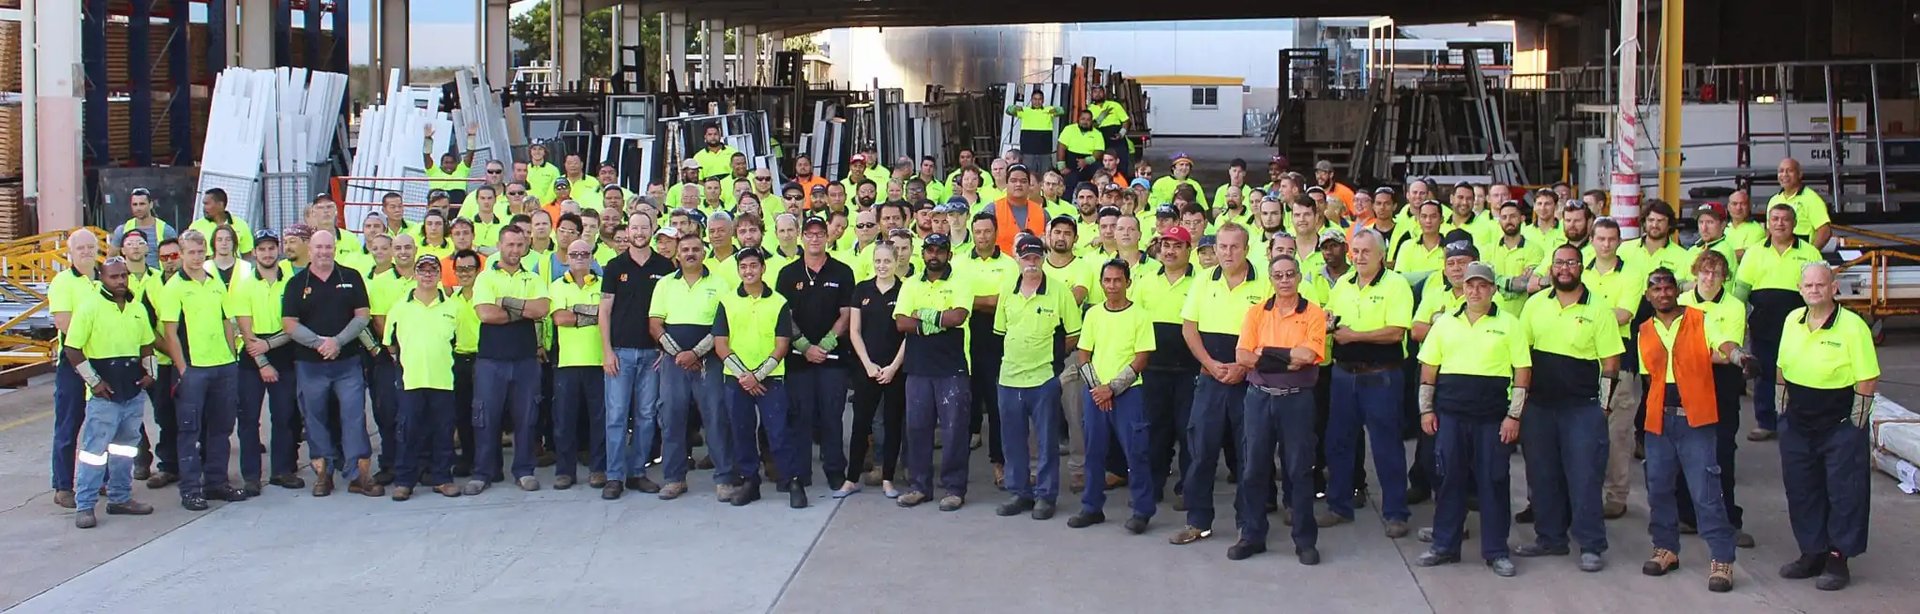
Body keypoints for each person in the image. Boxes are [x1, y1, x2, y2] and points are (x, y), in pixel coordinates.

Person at [1513, 244, 1626, 572]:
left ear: (1581, 268)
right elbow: (1522, 357)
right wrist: (1520, 404)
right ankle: (1550, 538)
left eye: (1571, 263)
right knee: (1542, 475)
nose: (1564, 269)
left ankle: (1591, 545)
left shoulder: (1599, 309)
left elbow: (1611, 364)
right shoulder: (1535, 304)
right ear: (1551, 268)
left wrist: (1604, 407)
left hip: (1582, 409)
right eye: (1559, 263)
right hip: (1539, 407)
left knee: (1585, 477)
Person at [1414, 262, 1531, 578]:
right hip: (1450, 418)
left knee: (1493, 482)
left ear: (1493, 289)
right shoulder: (1445, 323)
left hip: (1492, 419)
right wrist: (1426, 410)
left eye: (1482, 285)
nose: (1475, 291)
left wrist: (1514, 416)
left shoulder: (1510, 324)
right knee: (1449, 480)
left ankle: (1496, 551)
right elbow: (1428, 370)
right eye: (1470, 285)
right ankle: (1444, 546)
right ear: (1462, 288)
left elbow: (1522, 373)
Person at [1634, 267, 1740, 592]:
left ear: (1676, 291)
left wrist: (1739, 356)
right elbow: (1648, 377)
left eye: (1668, 287)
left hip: (1695, 419)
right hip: (1659, 420)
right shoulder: (1644, 330)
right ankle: (1665, 548)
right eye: (1656, 289)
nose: (1663, 293)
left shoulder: (1700, 319)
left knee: (1706, 491)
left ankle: (1722, 559)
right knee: (1659, 488)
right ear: (1648, 295)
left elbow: (1724, 343)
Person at [1775, 263, 1879, 591]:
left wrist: (1856, 425)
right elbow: (1781, 368)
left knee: (1844, 492)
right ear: (1800, 288)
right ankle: (1812, 552)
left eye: (1821, 285)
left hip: (1839, 424)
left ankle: (1837, 558)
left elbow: (1867, 378)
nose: (1814, 290)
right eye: (1808, 285)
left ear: (1833, 288)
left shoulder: (1853, 326)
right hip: (1798, 423)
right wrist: (1781, 414)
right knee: (1802, 489)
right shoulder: (1792, 320)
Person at [1227, 254, 1328, 563]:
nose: (1284, 280)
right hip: (1259, 398)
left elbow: (1308, 356)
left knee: (1299, 470)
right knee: (1253, 468)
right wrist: (1287, 357)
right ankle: (1252, 535)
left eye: (1290, 274)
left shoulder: (1313, 313)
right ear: (1270, 280)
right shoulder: (1256, 312)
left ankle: (1305, 541)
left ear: (1298, 276)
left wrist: (1265, 354)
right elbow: (1243, 356)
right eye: (1278, 275)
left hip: (1296, 400)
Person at [1173, 224, 1271, 543]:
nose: (1228, 253)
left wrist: (1243, 366)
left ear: (1247, 249)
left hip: (1249, 382)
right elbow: (1189, 329)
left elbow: (1270, 334)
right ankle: (1198, 521)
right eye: (1222, 247)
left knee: (1248, 455)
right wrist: (1210, 364)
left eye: (1234, 247)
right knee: (1201, 451)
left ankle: (1248, 525)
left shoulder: (1265, 284)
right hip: (1210, 379)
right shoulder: (1203, 281)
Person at [1322, 228, 1416, 537]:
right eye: (1356, 251)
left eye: (1366, 251)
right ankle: (1338, 506)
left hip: (1381, 376)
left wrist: (1354, 336)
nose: (1359, 257)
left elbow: (1396, 332)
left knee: (1387, 446)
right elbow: (1332, 319)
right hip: (1343, 375)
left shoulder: (1396, 284)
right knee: (1339, 443)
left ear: (1381, 255)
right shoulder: (1343, 284)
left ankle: (1396, 513)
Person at [281, 230, 379, 497]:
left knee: (354, 416)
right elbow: (289, 324)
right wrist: (319, 344)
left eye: (328, 247)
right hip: (310, 365)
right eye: (319, 247)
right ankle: (323, 474)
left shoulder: (351, 277)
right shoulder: (296, 284)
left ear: (335, 249)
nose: (324, 252)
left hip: (347, 363)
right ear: (309, 250)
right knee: (315, 418)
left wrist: (338, 341)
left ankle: (359, 475)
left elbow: (362, 316)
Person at [65, 257, 160, 528]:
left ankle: (120, 498)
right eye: (113, 276)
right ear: (102, 278)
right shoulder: (90, 307)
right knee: (94, 452)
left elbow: (147, 344)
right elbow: (73, 349)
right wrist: (94, 382)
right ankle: (85, 506)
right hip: (104, 396)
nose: (120, 281)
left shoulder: (137, 308)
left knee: (125, 449)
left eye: (123, 276)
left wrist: (151, 372)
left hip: (132, 391)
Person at [992, 235, 1082, 520]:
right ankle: (1020, 493)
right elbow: (1001, 331)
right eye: (1026, 257)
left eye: (1036, 257)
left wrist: (1053, 357)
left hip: (1043, 378)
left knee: (1046, 441)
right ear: (1017, 259)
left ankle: (1045, 496)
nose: (1031, 262)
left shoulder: (1059, 291)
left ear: (1043, 258)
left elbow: (1075, 333)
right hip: (1009, 378)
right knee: (1013, 441)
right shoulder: (1007, 290)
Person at [1066, 258, 1158, 534]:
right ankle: (1092, 507)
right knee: (1094, 451)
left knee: (1136, 452)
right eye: (1107, 280)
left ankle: (1142, 510)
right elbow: (1084, 354)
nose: (1112, 285)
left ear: (1128, 282)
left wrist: (1112, 388)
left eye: (1118, 280)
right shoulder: (1093, 314)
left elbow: (1142, 358)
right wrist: (1098, 389)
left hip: (1129, 393)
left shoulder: (1140, 315)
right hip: (1096, 394)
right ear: (1101, 283)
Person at [160, 230, 249, 510]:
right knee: (189, 431)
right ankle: (190, 489)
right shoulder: (174, 287)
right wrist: (183, 369)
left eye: (201, 252)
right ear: (182, 254)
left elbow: (226, 321)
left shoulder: (214, 282)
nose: (197, 258)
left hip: (223, 366)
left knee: (222, 428)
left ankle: (216, 483)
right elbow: (170, 332)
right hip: (194, 369)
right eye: (191, 252)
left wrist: (232, 357)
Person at [712, 247, 801, 507]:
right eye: (743, 267)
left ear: (763, 268)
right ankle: (750, 481)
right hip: (737, 379)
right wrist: (745, 376)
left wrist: (758, 376)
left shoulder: (779, 302)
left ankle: (792, 481)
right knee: (741, 432)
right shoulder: (727, 301)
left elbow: (782, 345)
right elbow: (721, 344)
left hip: (771, 379)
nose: (748, 271)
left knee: (779, 432)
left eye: (753, 266)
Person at [649, 230, 735, 501]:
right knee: (671, 418)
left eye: (695, 249)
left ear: (704, 252)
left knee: (716, 417)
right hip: (674, 362)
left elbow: (722, 326)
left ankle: (724, 478)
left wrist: (696, 353)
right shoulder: (665, 284)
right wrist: (680, 355)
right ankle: (674, 479)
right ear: (677, 254)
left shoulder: (720, 284)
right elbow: (655, 324)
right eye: (685, 250)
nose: (690, 254)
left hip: (709, 361)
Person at [891, 233, 974, 511]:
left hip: (952, 368)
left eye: (940, 250)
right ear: (923, 253)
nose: (934, 255)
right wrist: (938, 321)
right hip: (918, 367)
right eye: (930, 250)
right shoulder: (911, 283)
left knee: (954, 430)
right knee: (917, 428)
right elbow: (901, 322)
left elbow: (958, 317)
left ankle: (954, 488)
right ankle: (919, 487)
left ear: (949, 254)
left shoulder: (960, 281)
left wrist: (923, 315)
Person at [776, 216, 857, 497]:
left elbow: (847, 313)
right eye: (809, 234)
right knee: (800, 417)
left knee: (832, 416)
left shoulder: (842, 272)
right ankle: (800, 473)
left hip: (833, 359)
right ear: (801, 237)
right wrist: (804, 346)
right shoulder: (788, 274)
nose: (814, 238)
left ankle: (835, 471)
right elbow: (784, 315)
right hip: (798, 360)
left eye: (819, 233)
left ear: (827, 237)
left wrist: (826, 343)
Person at [465, 224, 549, 494]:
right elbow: (486, 314)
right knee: (486, 419)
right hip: (491, 360)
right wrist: (523, 309)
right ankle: (483, 473)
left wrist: (504, 302)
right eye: (510, 244)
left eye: (519, 245)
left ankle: (524, 471)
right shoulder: (485, 278)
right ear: (499, 246)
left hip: (526, 360)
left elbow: (542, 309)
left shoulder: (533, 278)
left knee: (527, 418)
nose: (515, 249)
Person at [598, 213, 677, 499]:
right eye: (635, 227)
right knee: (616, 416)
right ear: (628, 231)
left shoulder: (665, 267)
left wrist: (664, 348)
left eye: (645, 227)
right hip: (620, 353)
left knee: (646, 415)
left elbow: (670, 311)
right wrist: (607, 351)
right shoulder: (614, 266)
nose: (640, 232)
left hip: (652, 355)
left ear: (652, 229)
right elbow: (604, 311)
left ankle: (637, 473)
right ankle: (614, 476)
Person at [1738, 204, 1825, 441]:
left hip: (1800, 327)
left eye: (1785, 219)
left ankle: (1799, 423)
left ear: (1794, 224)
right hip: (1763, 325)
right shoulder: (1754, 253)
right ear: (1768, 223)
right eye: (1775, 219)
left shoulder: (1810, 253)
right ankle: (1766, 423)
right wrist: (1736, 323)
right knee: (1764, 374)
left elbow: (1821, 291)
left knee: (1800, 374)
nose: (1780, 223)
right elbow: (1741, 292)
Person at [380, 254, 463, 500]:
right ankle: (404, 481)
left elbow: (459, 343)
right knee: (407, 432)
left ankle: (442, 478)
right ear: (415, 274)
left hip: (443, 380)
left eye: (432, 270)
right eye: (422, 270)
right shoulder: (399, 307)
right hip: (411, 380)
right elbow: (390, 344)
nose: (427, 274)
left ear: (439, 274)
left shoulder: (453, 307)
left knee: (443, 432)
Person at [231, 230, 302, 494]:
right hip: (252, 357)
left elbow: (294, 324)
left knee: (284, 416)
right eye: (262, 249)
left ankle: (282, 471)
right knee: (249, 419)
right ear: (254, 253)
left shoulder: (291, 283)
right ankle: (251, 476)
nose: (267, 253)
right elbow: (245, 330)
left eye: (271, 248)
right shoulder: (243, 286)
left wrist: (270, 347)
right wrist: (263, 363)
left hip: (283, 352)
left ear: (278, 250)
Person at [1135, 227, 1197, 508]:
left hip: (1189, 371)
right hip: (1153, 370)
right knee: (1155, 431)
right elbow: (1135, 322)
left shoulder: (1202, 282)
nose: (1170, 251)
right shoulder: (1146, 281)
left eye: (1177, 246)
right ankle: (1154, 484)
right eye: (1166, 246)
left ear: (1188, 250)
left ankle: (1189, 488)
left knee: (1188, 431)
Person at [849, 243, 910, 497]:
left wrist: (894, 367)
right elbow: (854, 331)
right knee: (860, 424)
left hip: (895, 369)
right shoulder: (862, 289)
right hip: (867, 368)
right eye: (878, 261)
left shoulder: (905, 289)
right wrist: (867, 364)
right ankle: (851, 479)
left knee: (893, 423)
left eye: (887, 261)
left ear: (896, 262)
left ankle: (888, 479)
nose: (882, 266)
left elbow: (909, 333)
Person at [49, 230, 101, 509]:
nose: (86, 252)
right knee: (68, 425)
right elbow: (64, 323)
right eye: (80, 248)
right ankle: (63, 486)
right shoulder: (63, 282)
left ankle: (99, 479)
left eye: (90, 247)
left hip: (104, 361)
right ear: (70, 252)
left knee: (102, 426)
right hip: (74, 362)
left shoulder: (105, 278)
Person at [548, 239, 605, 491]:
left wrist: (577, 312)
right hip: (567, 363)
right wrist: (595, 313)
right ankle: (565, 471)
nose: (580, 257)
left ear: (592, 257)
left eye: (585, 253)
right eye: (574, 254)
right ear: (566, 258)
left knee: (599, 420)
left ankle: (598, 469)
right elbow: (560, 318)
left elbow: (609, 316)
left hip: (599, 361)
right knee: (564, 421)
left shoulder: (604, 284)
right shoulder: (556, 286)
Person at [1767, 158, 1834, 248]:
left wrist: (1810, 253)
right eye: (1781, 171)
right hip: (1778, 254)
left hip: (1801, 254)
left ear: (1799, 174)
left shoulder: (1811, 198)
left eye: (1789, 171)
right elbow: (1769, 231)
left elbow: (1825, 231)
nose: (1784, 174)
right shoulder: (1773, 200)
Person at [111, 187, 176, 267]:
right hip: (131, 274)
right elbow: (111, 259)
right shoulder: (122, 230)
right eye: (135, 204)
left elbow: (177, 258)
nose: (138, 208)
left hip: (158, 274)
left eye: (142, 204)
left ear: (151, 205)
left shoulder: (166, 230)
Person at [187, 188, 254, 255]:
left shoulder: (241, 225)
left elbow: (247, 254)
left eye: (207, 204)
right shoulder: (196, 227)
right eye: (204, 204)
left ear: (220, 205)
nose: (204, 208)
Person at [1008, 89, 1062, 172]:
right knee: (1029, 174)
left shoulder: (1049, 110)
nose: (1037, 102)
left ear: (1043, 100)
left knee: (1045, 174)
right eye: (1035, 99)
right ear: (1031, 100)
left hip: (1045, 151)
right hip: (1028, 151)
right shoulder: (1024, 110)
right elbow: (1008, 111)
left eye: (1039, 99)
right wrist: (1014, 108)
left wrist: (1056, 110)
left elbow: (1062, 111)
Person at [1088, 85, 1132, 170]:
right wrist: (1100, 119)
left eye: (1100, 91)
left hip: (1116, 138)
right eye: (1095, 92)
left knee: (1121, 163)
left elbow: (1126, 121)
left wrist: (1121, 134)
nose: (1098, 94)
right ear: (1091, 94)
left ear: (1104, 93)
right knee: (1101, 165)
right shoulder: (1089, 109)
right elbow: (1089, 126)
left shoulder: (1114, 105)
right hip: (1100, 139)